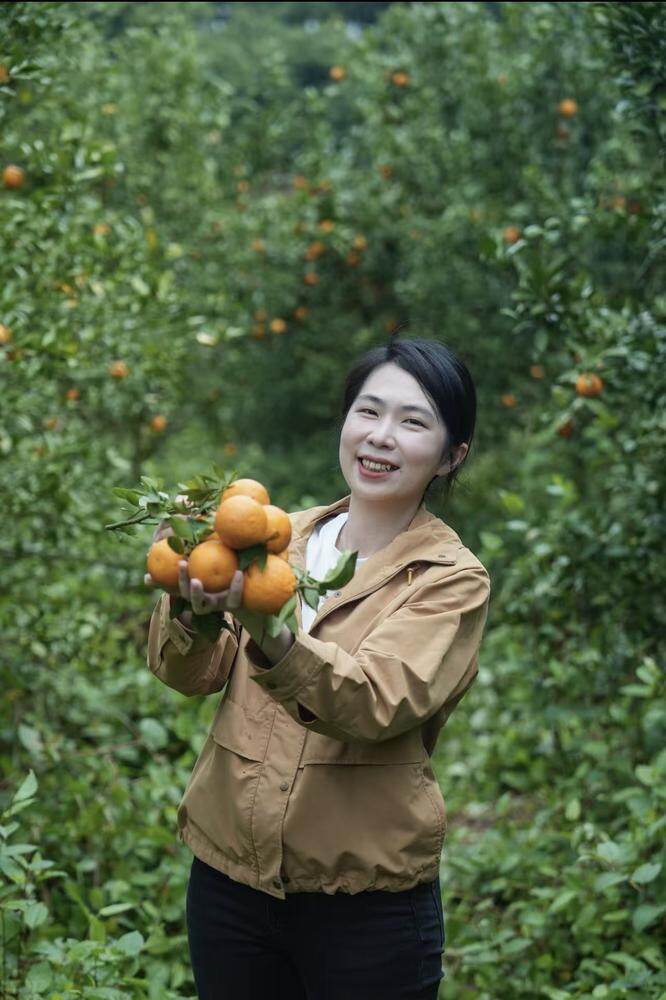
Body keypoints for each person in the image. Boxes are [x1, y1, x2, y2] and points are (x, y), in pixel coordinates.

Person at [145, 334, 491, 1000]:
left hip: (364, 907)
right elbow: (189, 674)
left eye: (412, 421)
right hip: (228, 887)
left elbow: (377, 702)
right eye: (369, 411)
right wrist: (190, 601)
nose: (381, 436)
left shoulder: (449, 580)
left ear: (452, 456)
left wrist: (269, 632)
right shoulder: (272, 538)